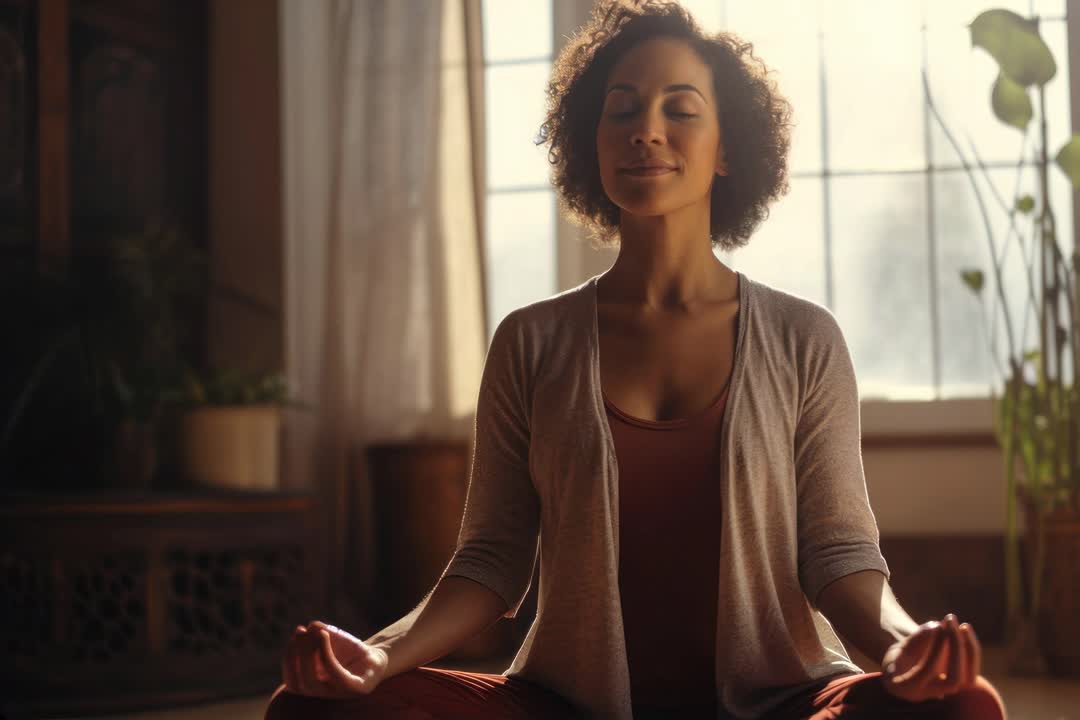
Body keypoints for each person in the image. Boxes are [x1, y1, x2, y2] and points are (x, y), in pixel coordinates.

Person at [265, 1, 1008, 718]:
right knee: (311, 710)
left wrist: (907, 645)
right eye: (621, 110)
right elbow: (491, 562)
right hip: (564, 705)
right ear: (591, 140)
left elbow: (839, 553)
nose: (645, 131)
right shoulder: (530, 342)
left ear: (728, 147)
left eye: (680, 109)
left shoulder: (803, 339)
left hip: (780, 702)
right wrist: (378, 654)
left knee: (963, 707)